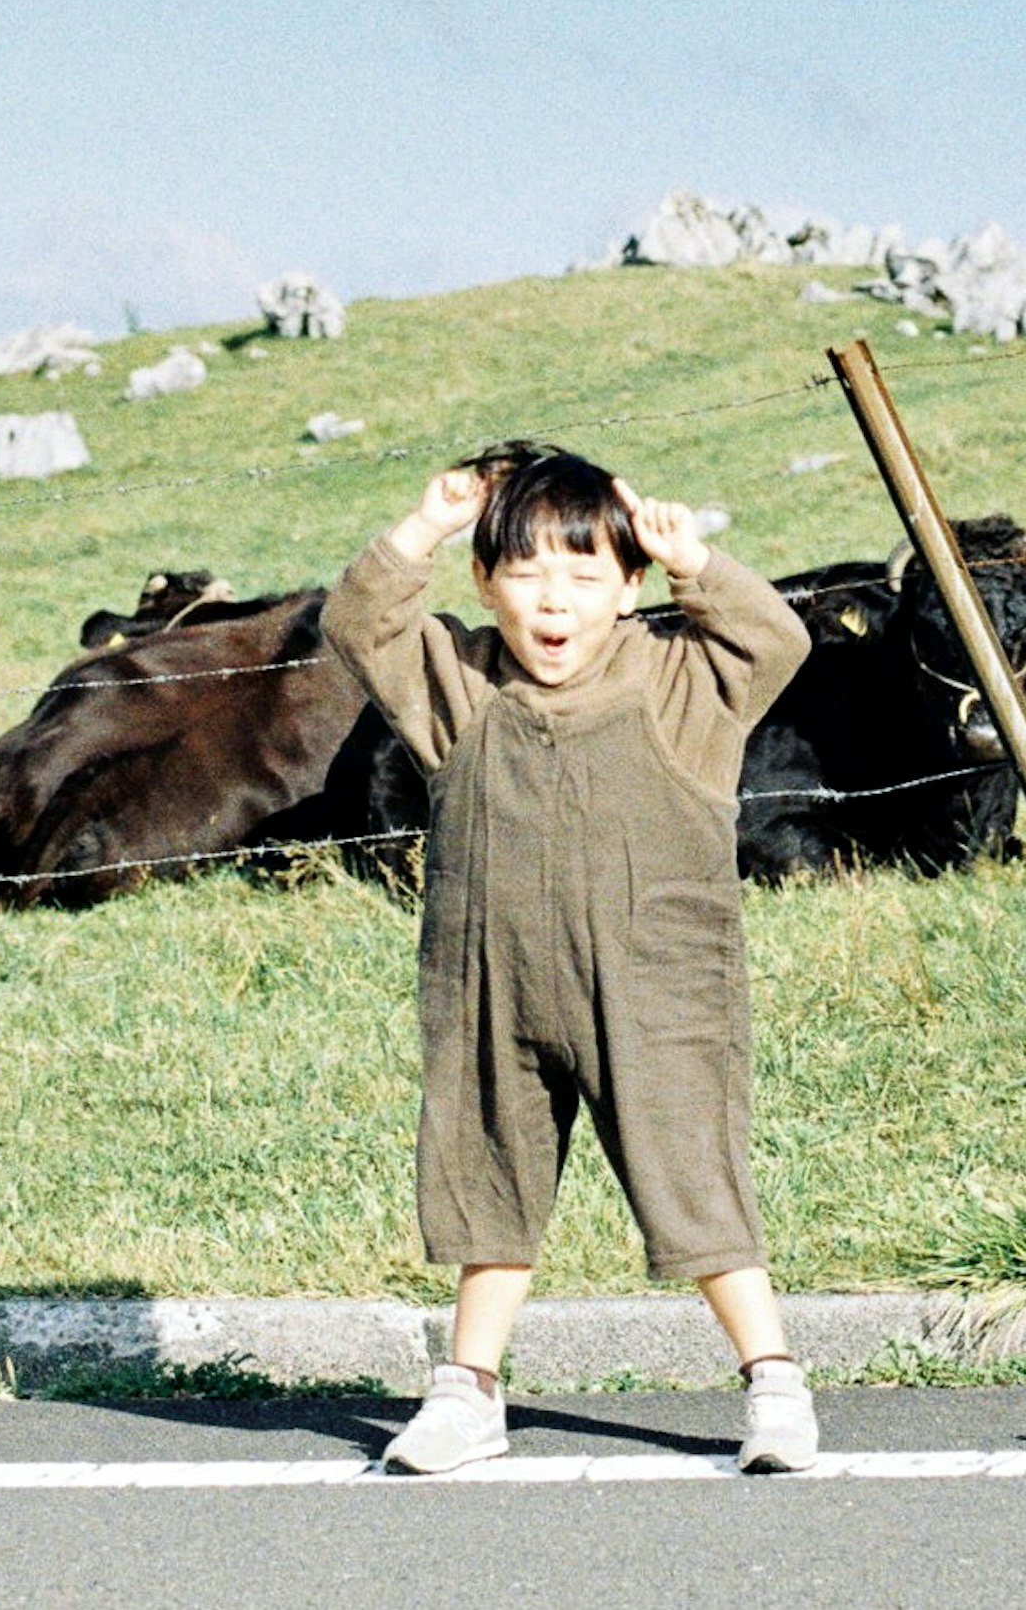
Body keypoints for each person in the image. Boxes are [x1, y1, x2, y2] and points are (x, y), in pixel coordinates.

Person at [324, 441, 817, 1475]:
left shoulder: (682, 677)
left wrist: (698, 565)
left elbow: (776, 641)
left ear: (628, 588)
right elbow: (359, 622)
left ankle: (773, 1382)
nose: (556, 603)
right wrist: (427, 523)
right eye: (528, 574)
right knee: (487, 1175)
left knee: (695, 1173)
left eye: (586, 576)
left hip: (658, 986)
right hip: (491, 983)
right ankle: (469, 1393)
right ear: (485, 582)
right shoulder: (457, 682)